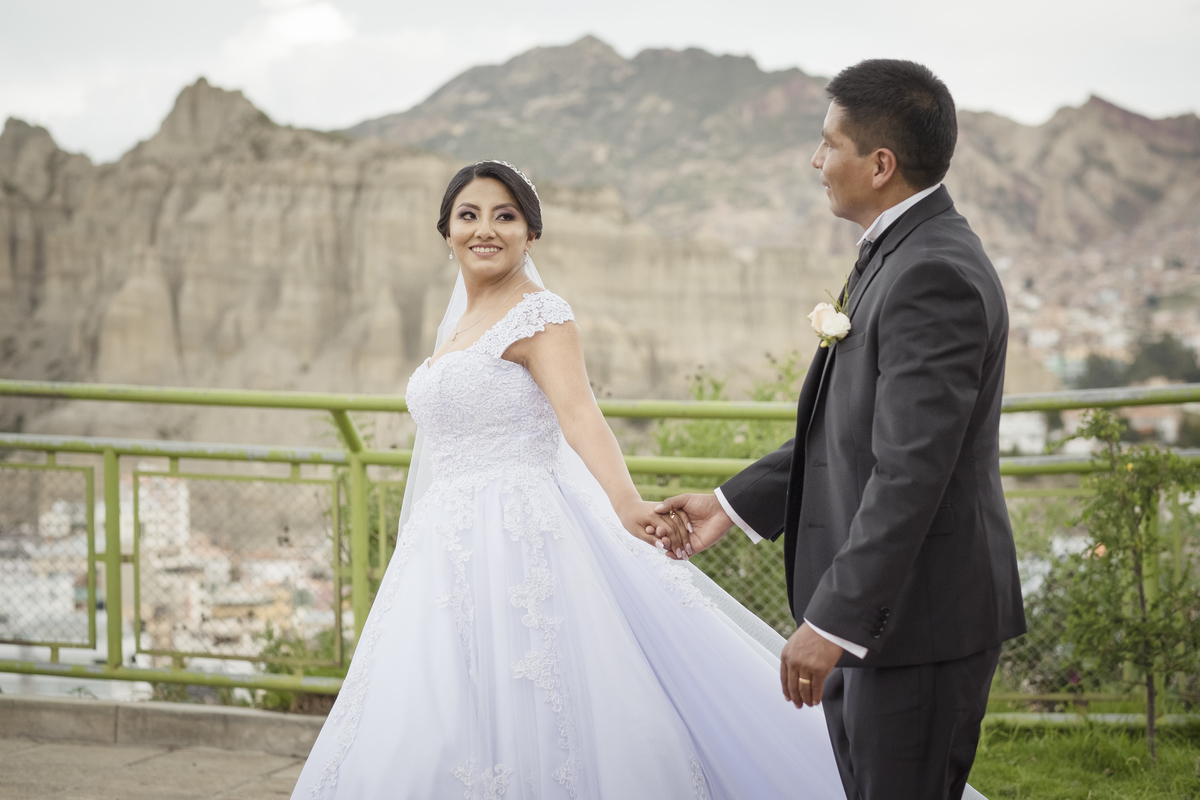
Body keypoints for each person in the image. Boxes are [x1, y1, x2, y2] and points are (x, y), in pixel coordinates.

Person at [289, 160, 848, 799]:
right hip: (443, 546)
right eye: (468, 215)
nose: (485, 230)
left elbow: (581, 416)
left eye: (505, 216)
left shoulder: (541, 315)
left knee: (541, 700)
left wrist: (626, 502)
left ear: (531, 232)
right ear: (446, 230)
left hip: (522, 533)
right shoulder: (457, 326)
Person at [657, 59, 1025, 800]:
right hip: (891, 622)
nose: (816, 160)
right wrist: (730, 506)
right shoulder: (897, 252)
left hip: (915, 623)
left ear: (880, 164)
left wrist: (834, 620)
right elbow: (847, 433)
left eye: (830, 144)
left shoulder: (933, 274)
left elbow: (911, 473)